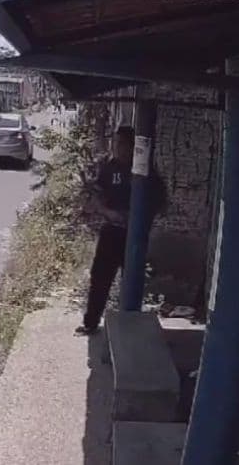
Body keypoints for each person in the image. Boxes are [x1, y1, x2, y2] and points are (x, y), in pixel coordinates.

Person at [75, 126, 167, 335]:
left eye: (122, 144)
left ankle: (129, 324)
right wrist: (107, 212)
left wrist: (141, 220)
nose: (117, 148)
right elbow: (97, 196)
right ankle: (91, 322)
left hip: (134, 235)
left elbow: (160, 204)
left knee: (132, 277)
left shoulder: (146, 172)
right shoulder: (110, 168)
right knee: (100, 277)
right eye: (116, 143)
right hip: (112, 231)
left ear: (132, 147)